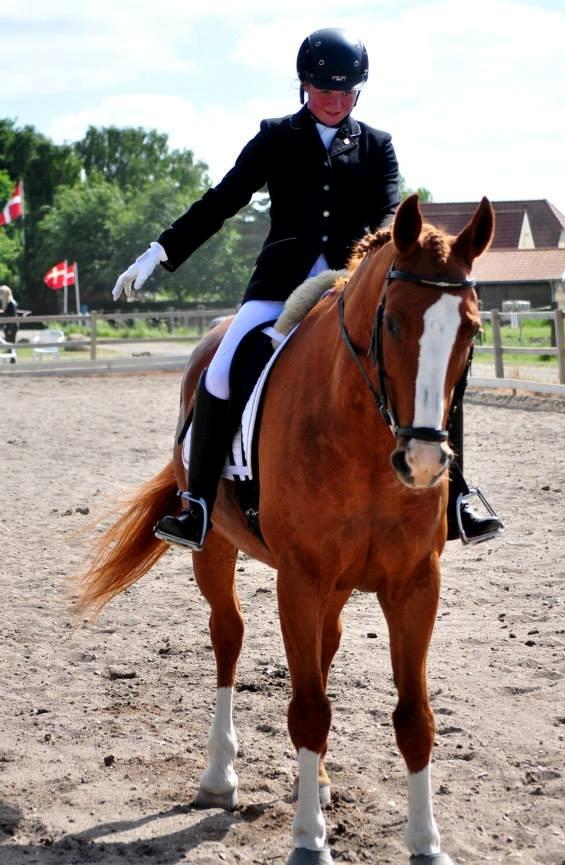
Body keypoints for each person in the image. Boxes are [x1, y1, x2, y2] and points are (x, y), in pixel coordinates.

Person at [113, 27, 502, 550]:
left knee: (429, 369)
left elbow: (390, 215)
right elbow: (223, 198)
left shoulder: (377, 146)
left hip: (349, 287)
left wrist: (378, 261)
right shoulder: (276, 137)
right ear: (303, 86)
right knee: (223, 369)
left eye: (347, 93)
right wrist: (159, 252)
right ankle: (198, 504)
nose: (337, 102)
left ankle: (455, 499)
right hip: (279, 288)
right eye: (325, 92)